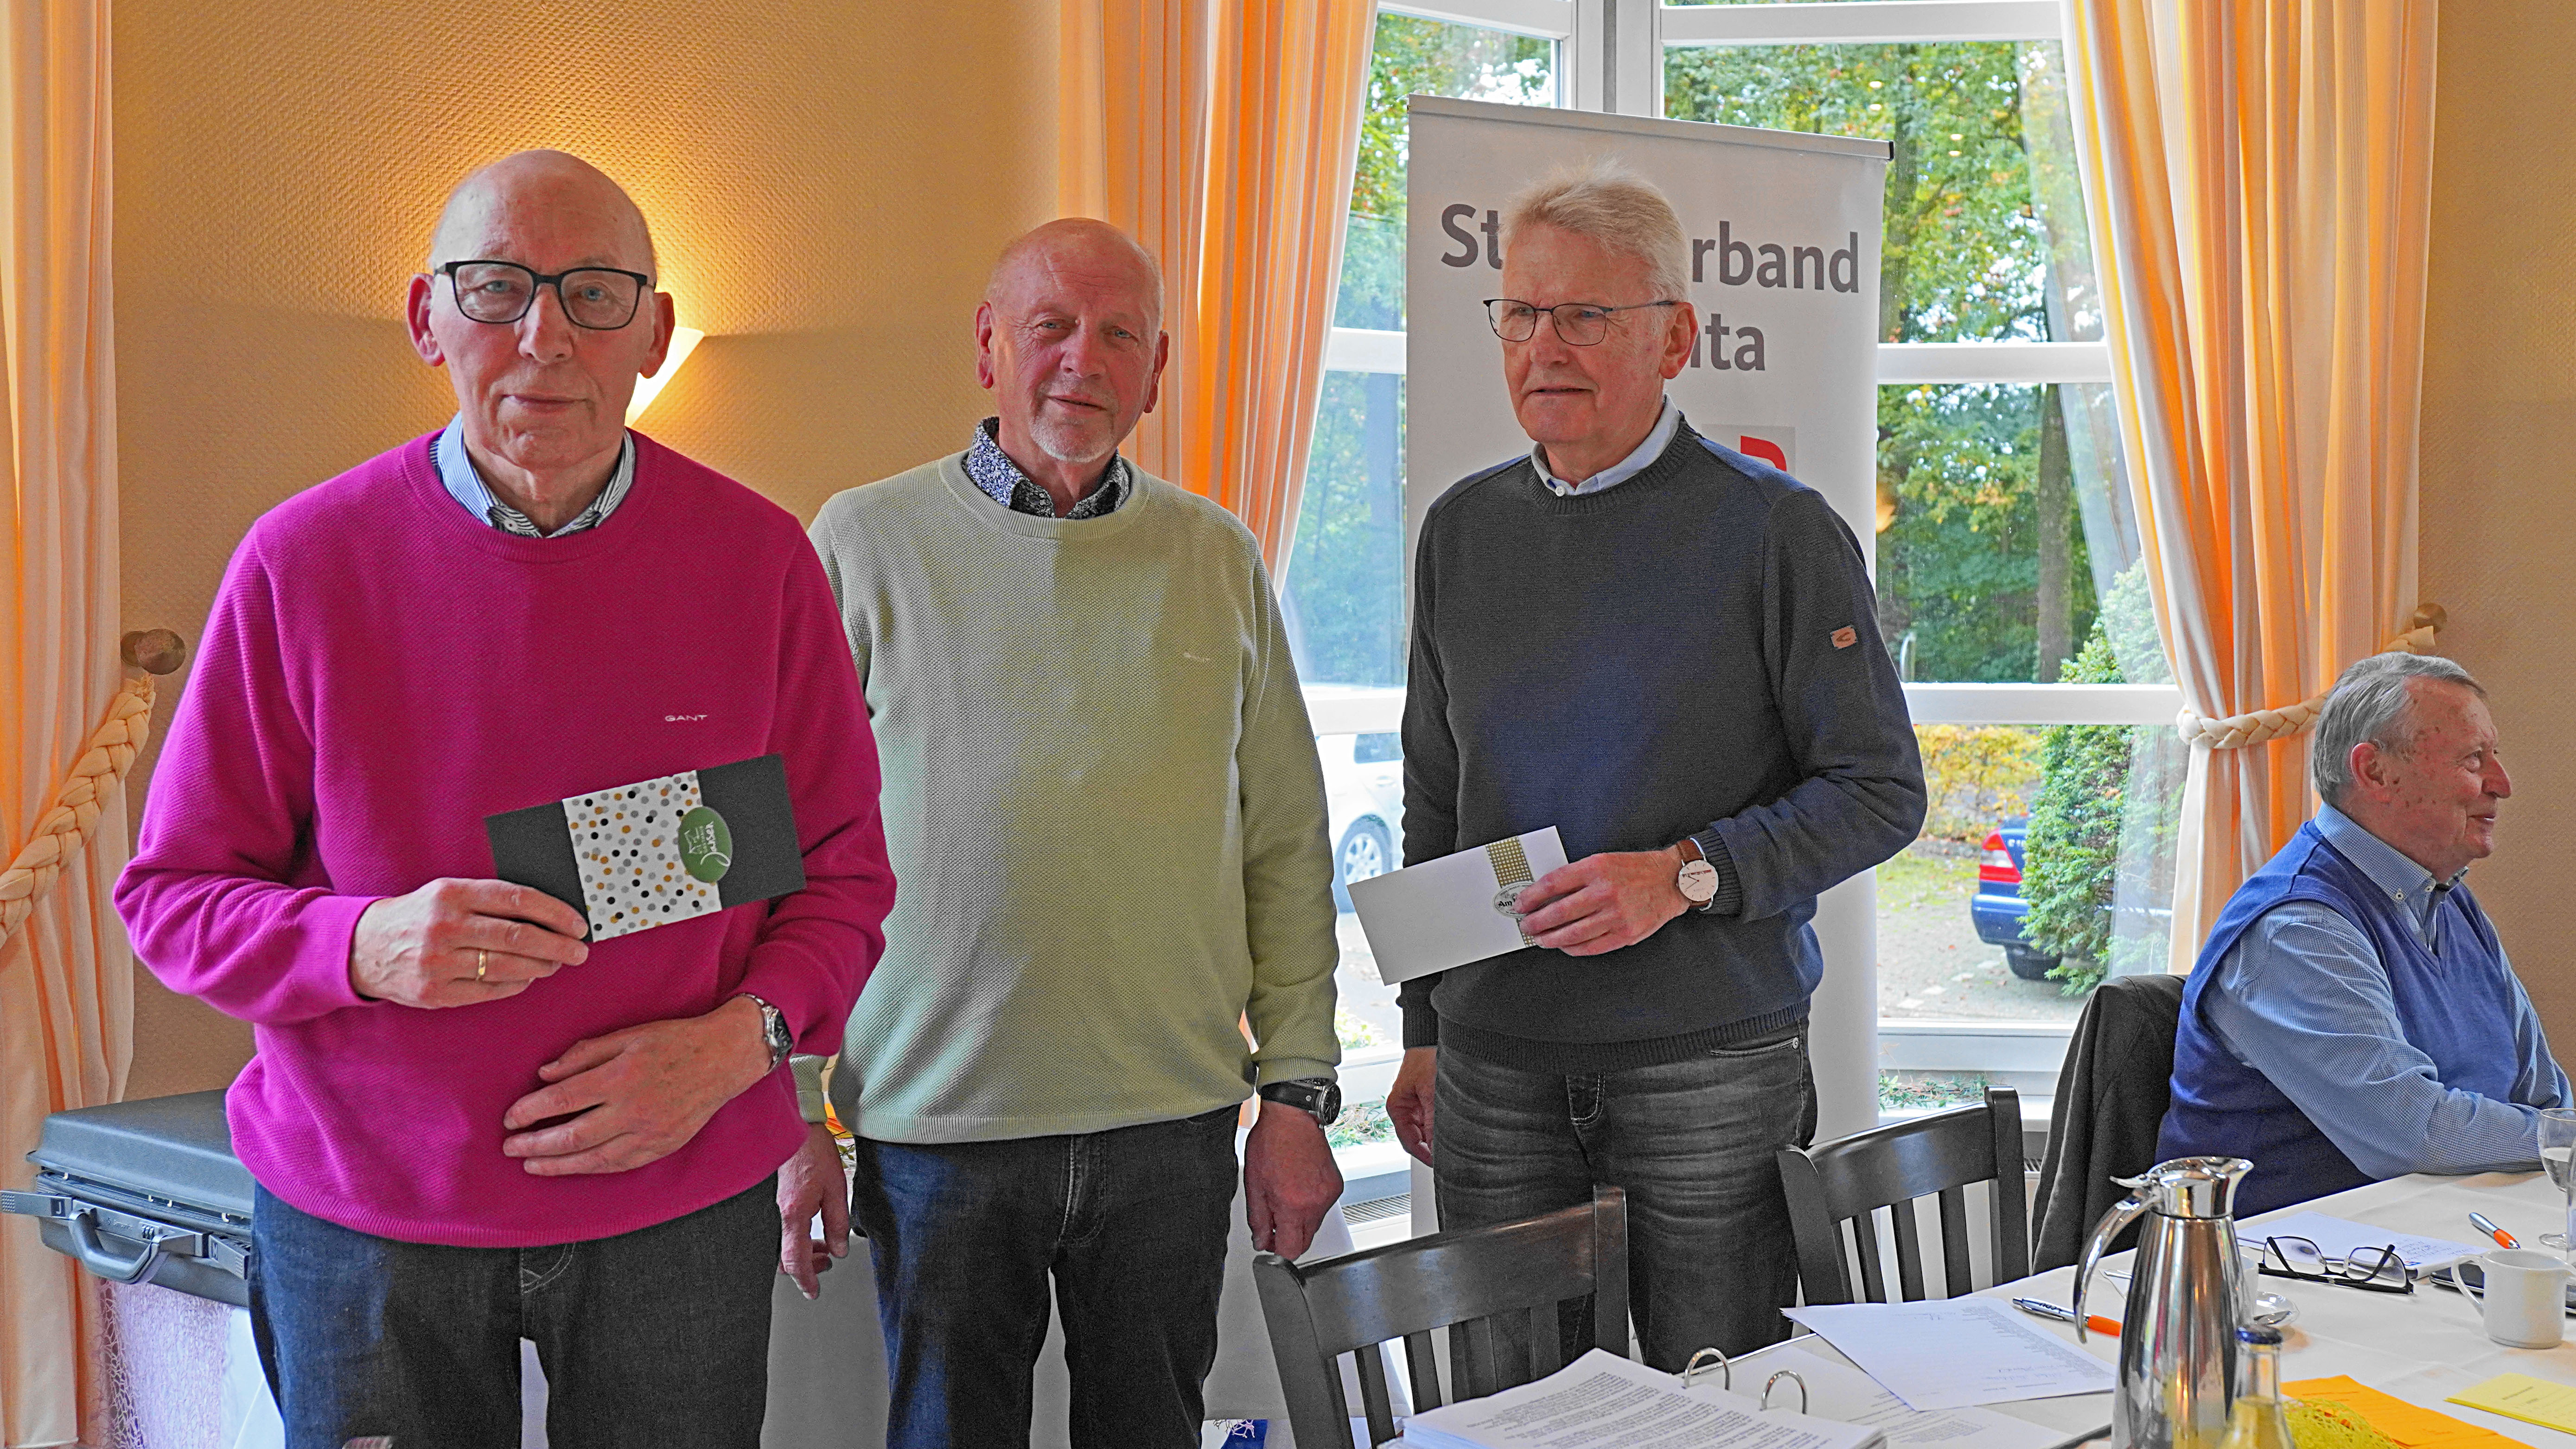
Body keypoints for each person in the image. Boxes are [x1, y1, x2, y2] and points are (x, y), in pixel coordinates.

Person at [114, 150, 895, 1448]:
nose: (544, 335)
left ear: (652, 331)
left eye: (593, 294)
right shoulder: (300, 565)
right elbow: (175, 897)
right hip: (366, 1218)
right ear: (429, 317)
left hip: (677, 1201)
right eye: (499, 288)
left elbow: (842, 875)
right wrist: (358, 941)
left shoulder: (759, 563)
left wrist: (743, 1041)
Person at [799, 217, 1344, 1448]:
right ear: (988, 346)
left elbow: (1286, 848)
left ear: (1157, 370)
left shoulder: (1216, 556)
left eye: (1119, 335)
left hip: (1171, 1125)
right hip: (938, 1127)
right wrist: (791, 1103)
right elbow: (788, 840)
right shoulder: (860, 542)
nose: (1079, 361)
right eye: (1049, 326)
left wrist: (1298, 1092)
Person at [1382, 160, 1925, 1366]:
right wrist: (1424, 1022)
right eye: (1520, 313)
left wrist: (1679, 872)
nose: (1544, 344)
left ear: (1674, 336)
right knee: (1508, 1420)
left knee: (1720, 1402)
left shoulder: (1776, 531)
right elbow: (1436, 788)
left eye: (1585, 314)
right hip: (1493, 1064)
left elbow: (1881, 791)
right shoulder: (1461, 532)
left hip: (1708, 1065)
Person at [2160, 652, 2568, 1217]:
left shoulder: (2449, 901)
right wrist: (2558, 1139)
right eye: (2475, 758)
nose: (2502, 783)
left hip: (2434, 1244)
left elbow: (2544, 1098)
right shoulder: (2295, 925)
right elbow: (2416, 1133)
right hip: (2279, 1277)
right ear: (2375, 771)